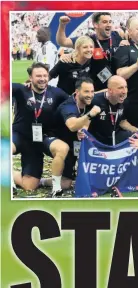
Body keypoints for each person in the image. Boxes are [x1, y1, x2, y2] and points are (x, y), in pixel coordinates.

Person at [12, 62, 69, 196]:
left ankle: (55, 186)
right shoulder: (21, 90)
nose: (42, 78)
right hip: (20, 135)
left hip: (41, 138)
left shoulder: (56, 93)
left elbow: (74, 102)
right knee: (4, 148)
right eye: (38, 76)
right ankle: (9, 181)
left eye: (45, 75)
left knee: (30, 186)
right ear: (30, 78)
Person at [56, 11, 123, 90]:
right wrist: (62, 25)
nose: (109, 24)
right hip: (96, 89)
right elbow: (62, 42)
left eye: (110, 22)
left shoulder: (117, 35)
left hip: (117, 86)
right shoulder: (88, 40)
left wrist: (127, 41)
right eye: (105, 22)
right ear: (95, 24)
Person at [85, 75, 138, 146]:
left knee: (137, 138)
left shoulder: (124, 101)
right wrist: (82, 132)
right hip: (96, 141)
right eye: (120, 88)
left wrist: (137, 130)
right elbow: (85, 122)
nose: (124, 91)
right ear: (110, 90)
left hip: (114, 138)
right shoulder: (95, 101)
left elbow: (122, 122)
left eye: (126, 87)